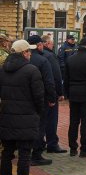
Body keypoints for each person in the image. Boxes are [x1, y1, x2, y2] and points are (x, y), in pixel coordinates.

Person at [0, 40, 44, 175]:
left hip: (6, 119)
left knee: (6, 154)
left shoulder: (2, 69)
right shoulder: (32, 71)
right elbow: (39, 97)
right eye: (28, 51)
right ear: (23, 53)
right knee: (25, 155)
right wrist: (37, 113)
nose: (30, 54)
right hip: (27, 119)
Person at [64, 38, 86, 157]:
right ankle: (84, 148)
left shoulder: (70, 59)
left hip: (73, 94)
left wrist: (66, 94)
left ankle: (73, 148)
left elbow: (66, 78)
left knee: (73, 121)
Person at [27, 35, 56, 166]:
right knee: (40, 126)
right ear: (39, 45)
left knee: (25, 125)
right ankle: (36, 155)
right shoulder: (43, 60)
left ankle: (24, 152)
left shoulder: (20, 58)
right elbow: (49, 82)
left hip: (23, 99)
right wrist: (51, 98)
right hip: (40, 98)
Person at [40, 34, 66, 154]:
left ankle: (40, 143)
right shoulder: (50, 56)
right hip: (50, 93)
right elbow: (57, 76)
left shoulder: (34, 56)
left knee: (40, 120)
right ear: (46, 44)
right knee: (51, 119)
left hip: (37, 93)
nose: (53, 45)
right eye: (51, 43)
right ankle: (52, 144)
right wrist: (60, 93)